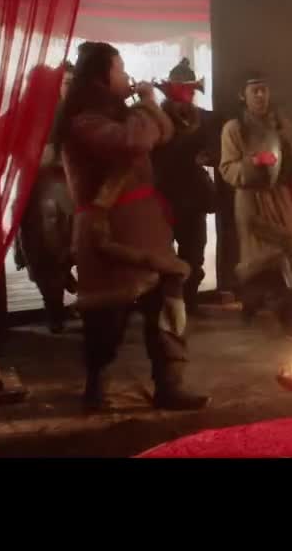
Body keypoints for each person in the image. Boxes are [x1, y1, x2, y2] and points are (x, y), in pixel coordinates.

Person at [54, 41, 209, 413]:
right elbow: (133, 141)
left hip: (147, 229)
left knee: (167, 308)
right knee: (107, 318)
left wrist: (154, 104)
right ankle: (97, 386)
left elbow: (163, 133)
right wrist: (146, 105)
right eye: (119, 70)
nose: (126, 76)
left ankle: (170, 384)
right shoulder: (84, 122)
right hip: (108, 231)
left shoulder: (119, 114)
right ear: (101, 77)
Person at [218, 74, 292, 338]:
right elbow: (227, 169)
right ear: (243, 95)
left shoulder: (283, 124)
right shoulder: (234, 129)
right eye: (255, 91)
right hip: (252, 202)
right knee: (260, 260)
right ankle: (264, 310)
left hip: (280, 199)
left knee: (286, 253)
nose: (260, 95)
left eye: (264, 90)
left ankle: (271, 310)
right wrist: (254, 163)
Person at [150, 58, 218, 318]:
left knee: (194, 254)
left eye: (187, 89)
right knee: (162, 255)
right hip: (162, 197)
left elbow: (216, 150)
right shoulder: (156, 118)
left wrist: (208, 156)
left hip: (193, 197)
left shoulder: (206, 119)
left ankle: (189, 301)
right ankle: (167, 305)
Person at [15, 61, 77, 333]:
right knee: (46, 254)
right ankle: (56, 306)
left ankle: (57, 307)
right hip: (47, 192)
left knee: (50, 255)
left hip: (60, 191)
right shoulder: (32, 111)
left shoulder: (65, 111)